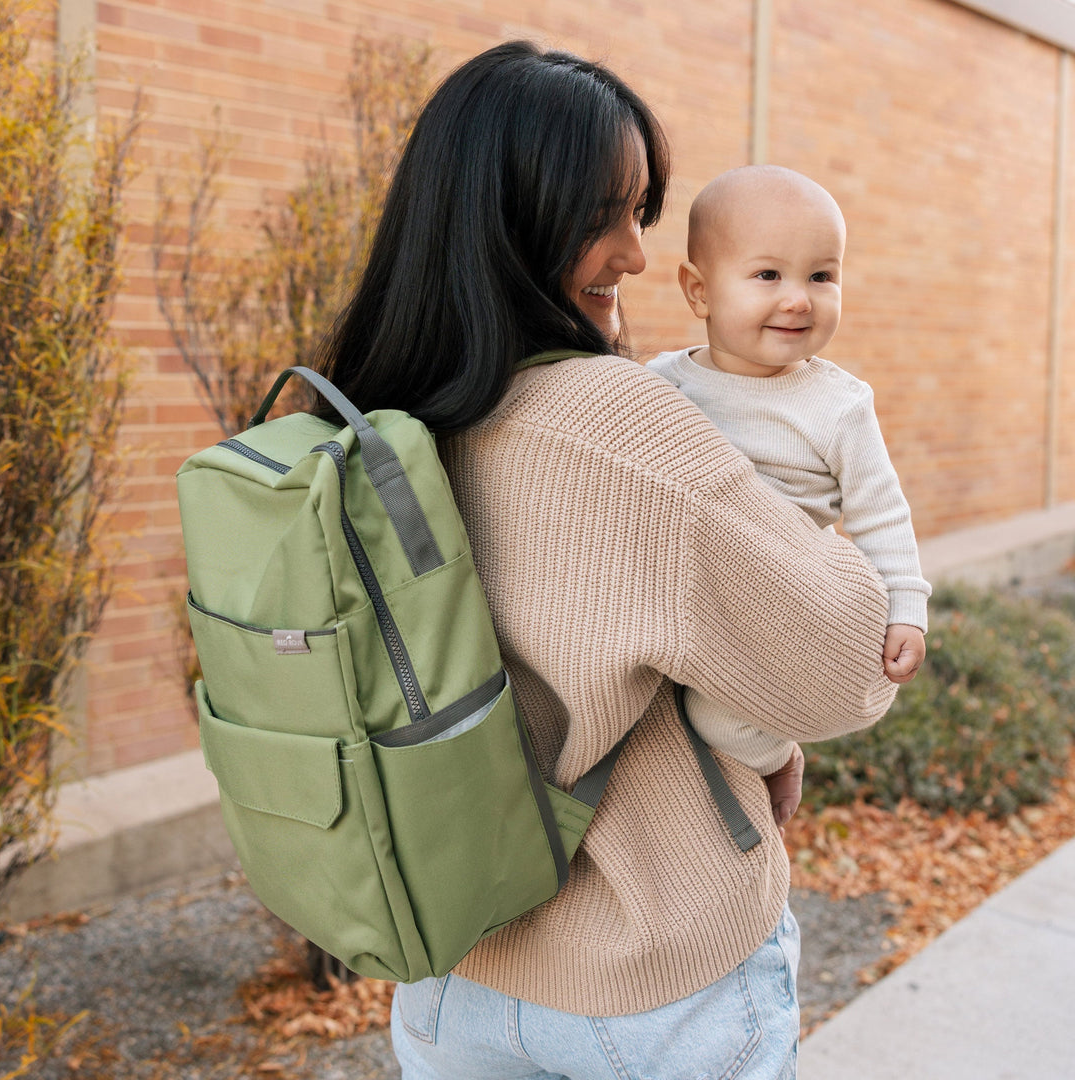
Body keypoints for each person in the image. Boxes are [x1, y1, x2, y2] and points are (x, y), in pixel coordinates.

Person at [318, 41, 897, 1080]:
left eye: (641, 214)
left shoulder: (374, 416)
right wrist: (820, 528)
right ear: (517, 221)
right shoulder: (618, 422)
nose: (634, 253)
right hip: (653, 982)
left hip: (451, 977)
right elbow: (845, 664)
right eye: (607, 216)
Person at [647, 166, 930, 825]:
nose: (799, 300)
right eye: (769, 275)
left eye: (821, 276)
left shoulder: (838, 406)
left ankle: (774, 759)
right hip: (689, 596)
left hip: (782, 604)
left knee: (718, 719)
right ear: (699, 290)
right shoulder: (662, 384)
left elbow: (882, 514)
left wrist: (906, 608)